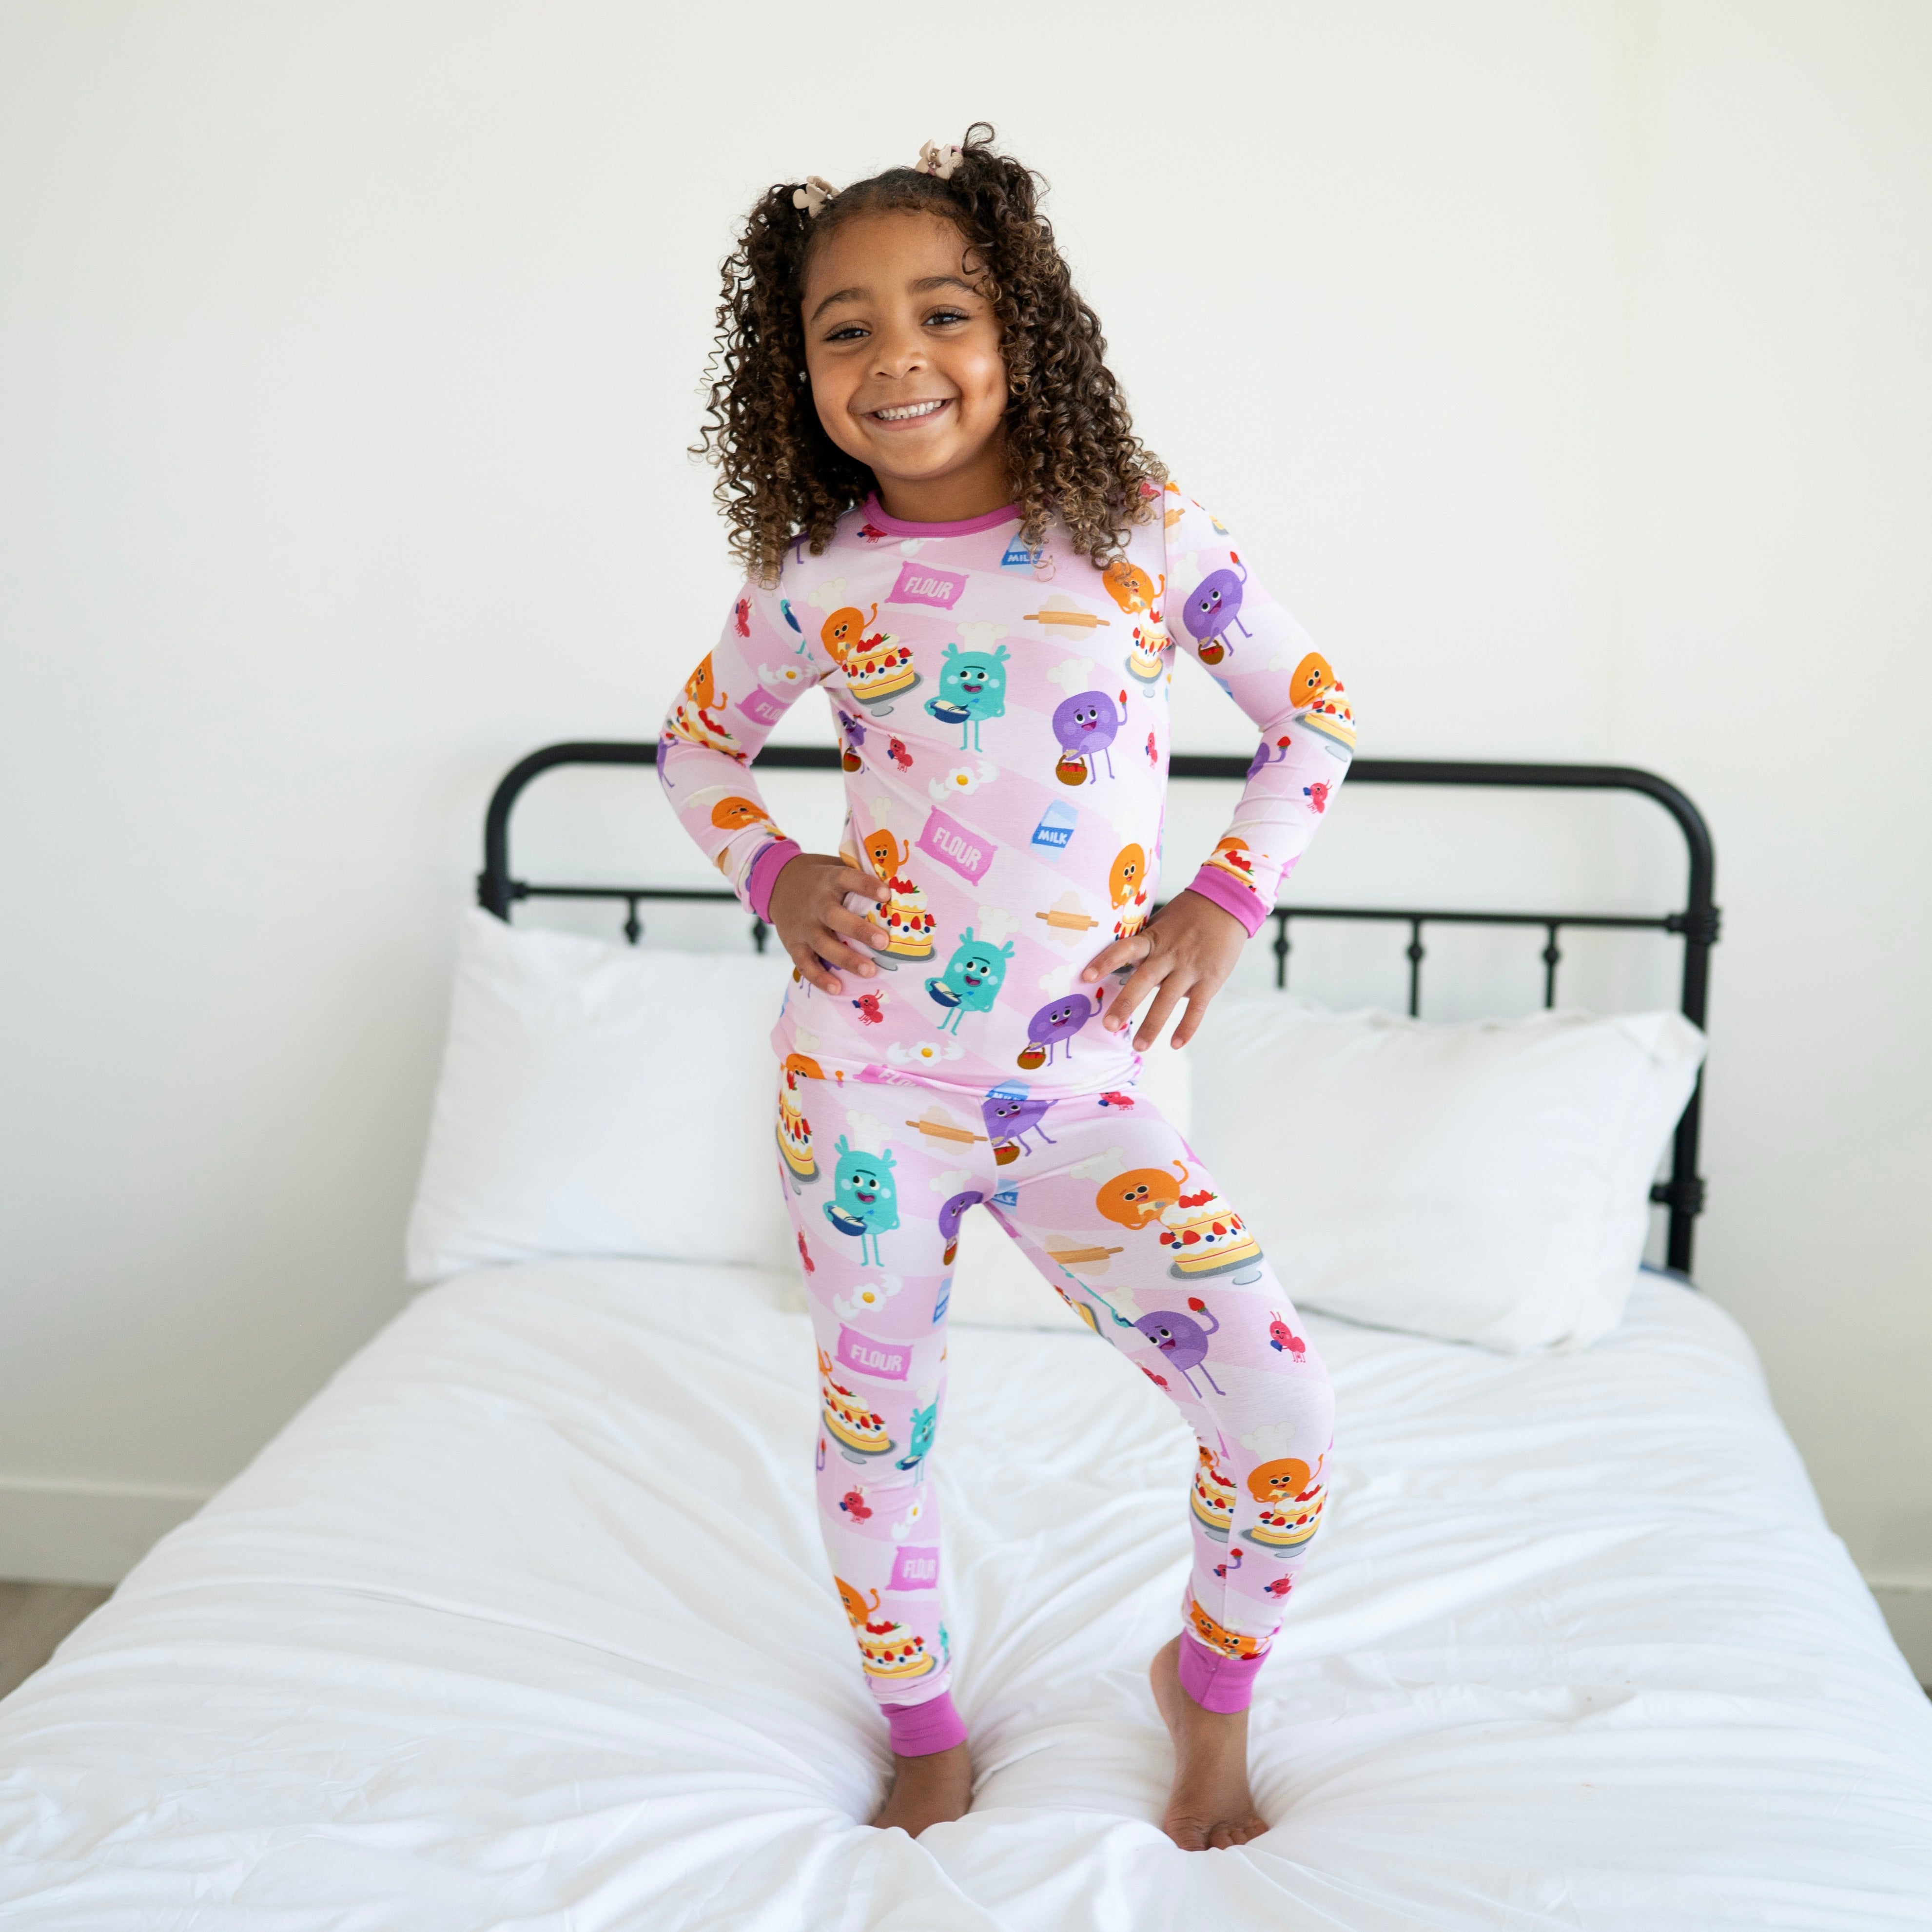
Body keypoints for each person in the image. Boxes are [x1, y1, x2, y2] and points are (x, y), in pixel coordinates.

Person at [661, 126, 1354, 1850]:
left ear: (1018, 331)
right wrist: (777, 866)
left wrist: (1219, 891)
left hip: (1080, 1094)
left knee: (1275, 1398)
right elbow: (697, 745)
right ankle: (922, 1724)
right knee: (876, 1422)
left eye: (943, 310)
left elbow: (1311, 711)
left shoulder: (1131, 525)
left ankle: (1204, 1691)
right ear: (795, 372)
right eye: (842, 327)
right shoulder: (814, 576)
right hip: (862, 1084)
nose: (896, 355)